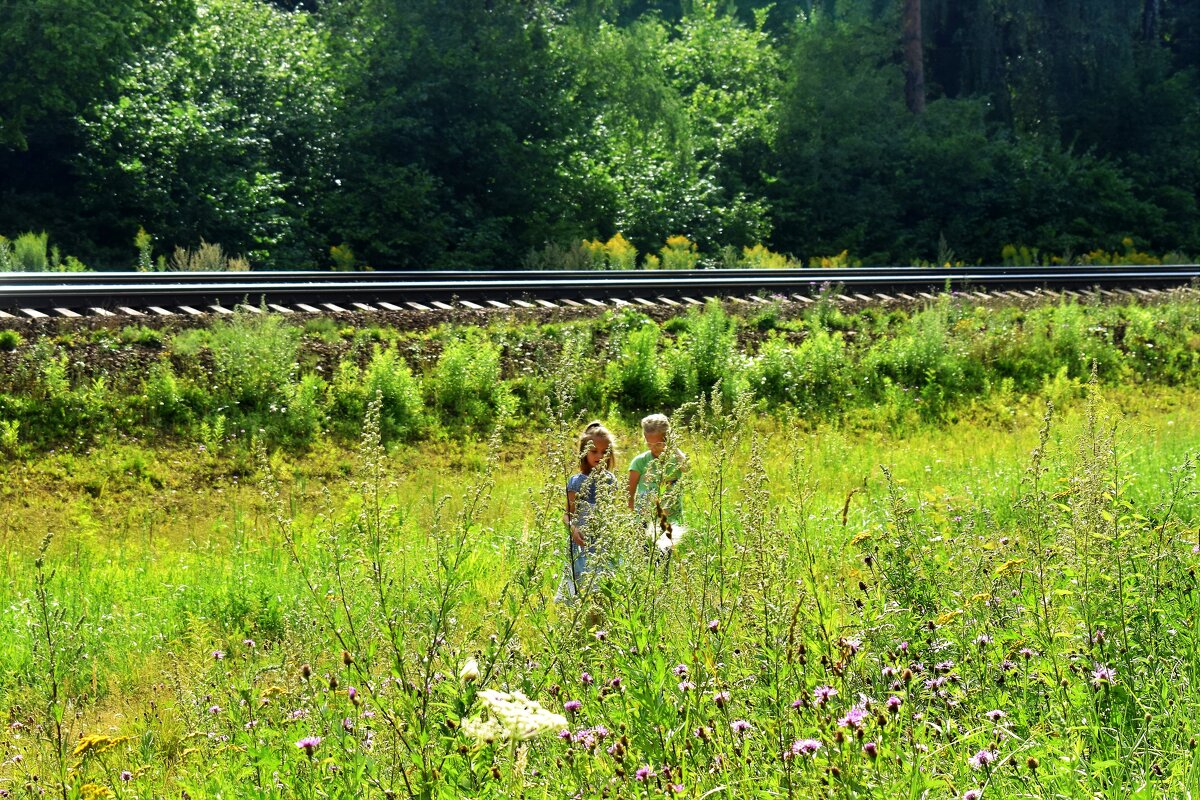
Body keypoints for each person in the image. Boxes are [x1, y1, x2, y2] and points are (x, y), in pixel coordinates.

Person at [561, 424, 618, 599]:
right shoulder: (576, 482)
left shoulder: (610, 481)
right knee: (582, 589)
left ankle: (599, 623)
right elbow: (567, 515)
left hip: (603, 542)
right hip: (581, 543)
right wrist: (573, 529)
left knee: (603, 588)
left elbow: (611, 513)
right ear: (584, 452)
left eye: (604, 452)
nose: (599, 456)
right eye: (594, 452)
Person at [627, 413, 688, 552]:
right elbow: (629, 494)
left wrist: (673, 447)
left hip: (671, 518)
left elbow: (687, 467)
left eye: (659, 444)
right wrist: (632, 521)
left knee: (665, 559)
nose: (654, 448)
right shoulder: (640, 462)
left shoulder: (674, 460)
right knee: (645, 557)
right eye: (649, 444)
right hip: (644, 519)